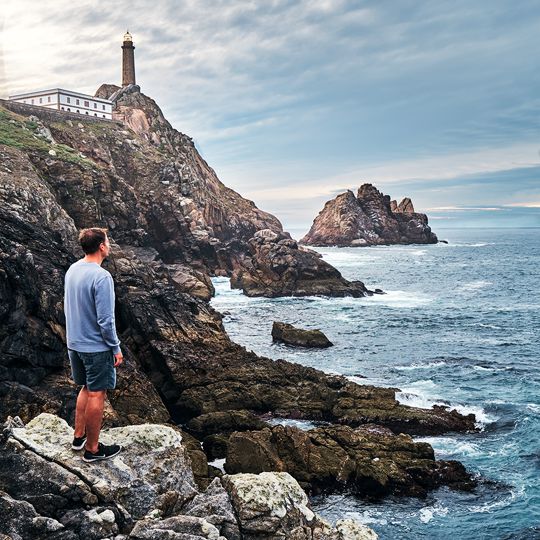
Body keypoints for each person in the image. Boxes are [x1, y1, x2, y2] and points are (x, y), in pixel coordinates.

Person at [64, 227, 123, 462]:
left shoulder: (73, 269)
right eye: (108, 241)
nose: (109, 245)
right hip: (95, 347)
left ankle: (78, 438)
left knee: (86, 388)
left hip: (74, 343)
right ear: (101, 246)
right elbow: (106, 320)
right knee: (97, 393)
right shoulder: (101, 276)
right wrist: (115, 347)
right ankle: (93, 449)